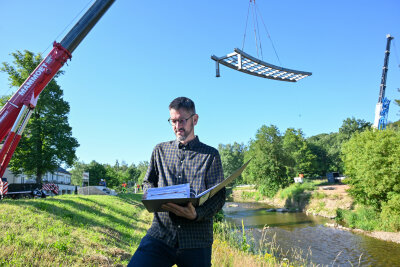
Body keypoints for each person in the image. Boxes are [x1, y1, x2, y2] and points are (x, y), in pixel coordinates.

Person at [128, 97, 225, 267]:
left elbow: (219, 196)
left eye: (182, 120)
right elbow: (148, 182)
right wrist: (152, 195)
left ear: (194, 119)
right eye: (173, 121)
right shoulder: (160, 150)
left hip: (196, 240)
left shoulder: (211, 155)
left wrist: (196, 214)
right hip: (160, 235)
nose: (177, 126)